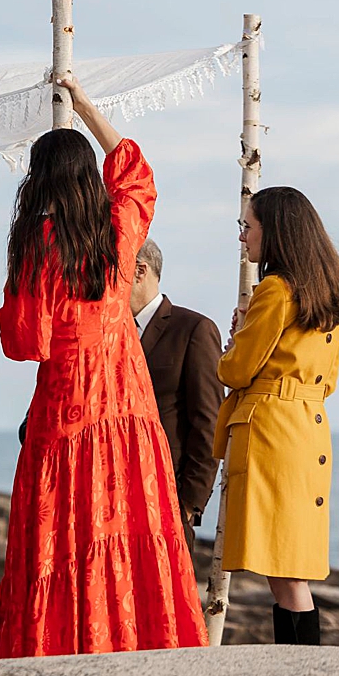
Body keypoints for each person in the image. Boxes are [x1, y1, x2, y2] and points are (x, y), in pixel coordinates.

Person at [0, 75, 207, 658]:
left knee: (59, 531)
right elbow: (137, 175)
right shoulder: (117, 236)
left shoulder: (36, 245)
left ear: (39, 184)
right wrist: (87, 107)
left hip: (64, 403)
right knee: (128, 523)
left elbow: (25, 343)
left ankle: (59, 645)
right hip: (125, 400)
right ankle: (134, 642)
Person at [215, 187, 339, 645]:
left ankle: (302, 669)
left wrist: (235, 340)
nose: (243, 238)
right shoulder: (327, 299)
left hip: (272, 432)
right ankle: (300, 667)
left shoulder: (275, 290)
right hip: (309, 431)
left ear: (273, 232)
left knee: (285, 570)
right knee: (289, 565)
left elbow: (237, 370)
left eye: (248, 227)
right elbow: (329, 381)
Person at [130, 238, 225, 559]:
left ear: (138, 271)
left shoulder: (193, 329)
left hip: (166, 506)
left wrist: (187, 505)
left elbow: (209, 424)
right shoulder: (102, 334)